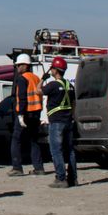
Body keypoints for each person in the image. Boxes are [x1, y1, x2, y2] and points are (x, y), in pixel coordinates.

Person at [41, 55, 77, 187]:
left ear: (55, 70)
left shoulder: (53, 85)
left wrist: (42, 79)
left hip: (56, 122)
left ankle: (61, 179)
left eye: (52, 69)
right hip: (68, 121)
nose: (50, 71)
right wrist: (72, 117)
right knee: (70, 150)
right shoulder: (70, 86)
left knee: (56, 150)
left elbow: (39, 91)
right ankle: (73, 179)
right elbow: (74, 103)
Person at [8, 53, 46, 177]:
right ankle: (39, 168)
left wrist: (20, 115)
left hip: (25, 114)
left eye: (19, 65)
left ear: (25, 65)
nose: (17, 68)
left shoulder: (22, 78)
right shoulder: (35, 78)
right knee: (34, 140)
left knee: (16, 139)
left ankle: (17, 167)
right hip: (36, 113)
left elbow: (22, 98)